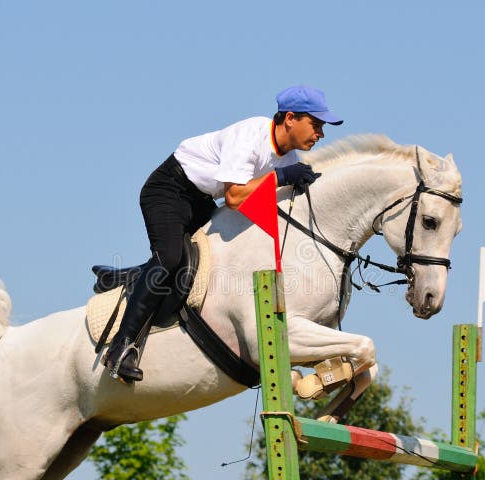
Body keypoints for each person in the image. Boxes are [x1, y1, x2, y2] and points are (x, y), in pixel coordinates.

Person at [104, 85, 344, 383]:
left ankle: (128, 276)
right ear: (291, 118)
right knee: (169, 257)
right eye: (316, 124)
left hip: (202, 200)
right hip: (169, 190)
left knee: (208, 258)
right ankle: (120, 347)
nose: (320, 133)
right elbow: (234, 197)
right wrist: (282, 177)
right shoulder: (250, 136)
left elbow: (269, 206)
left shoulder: (289, 156)